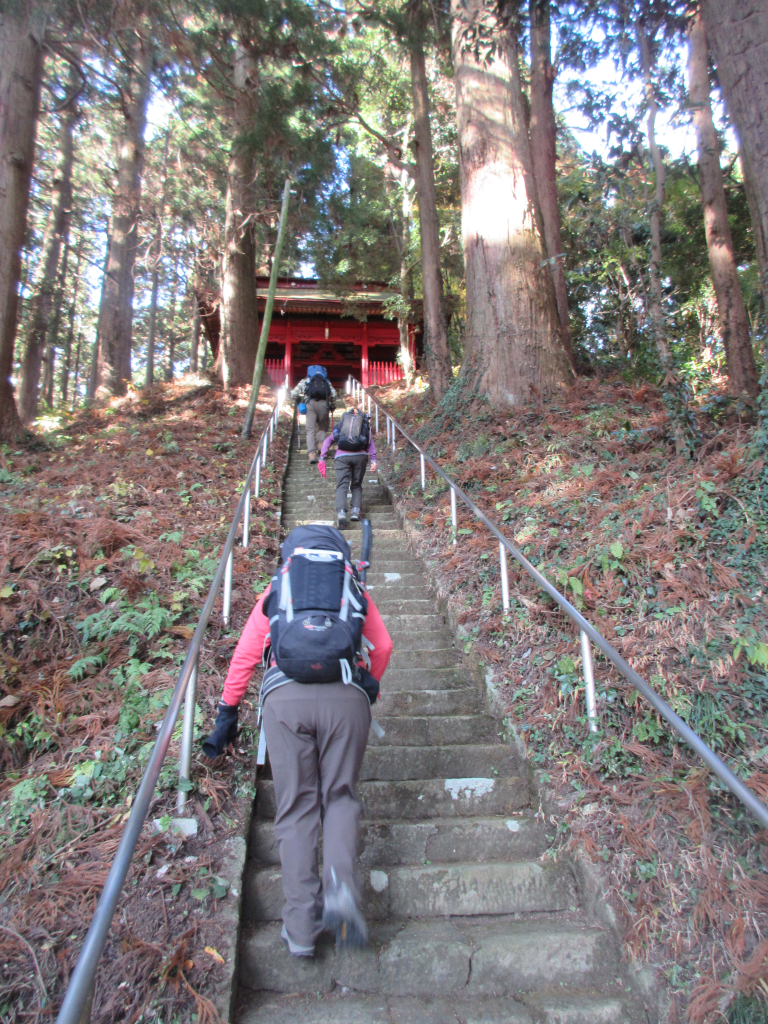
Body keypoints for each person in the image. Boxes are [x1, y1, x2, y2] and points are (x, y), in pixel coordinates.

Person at [202, 525, 393, 958]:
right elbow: (382, 648)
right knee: (340, 798)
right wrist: (369, 688)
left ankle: (301, 928)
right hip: (346, 697)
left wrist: (227, 710)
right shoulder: (352, 587)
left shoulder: (278, 590)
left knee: (296, 807)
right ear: (339, 555)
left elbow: (247, 655)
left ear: (290, 555)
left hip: (284, 700)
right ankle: (341, 893)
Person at [318, 406, 376, 529]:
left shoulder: (341, 426)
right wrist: (373, 460)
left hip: (342, 457)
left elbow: (328, 441)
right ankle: (355, 510)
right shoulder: (364, 425)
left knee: (342, 485)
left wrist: (322, 457)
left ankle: (341, 514)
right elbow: (370, 443)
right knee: (356, 484)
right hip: (360, 456)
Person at [291, 365, 337, 464]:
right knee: (322, 427)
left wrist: (299, 400)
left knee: (310, 430)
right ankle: (321, 446)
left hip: (310, 404)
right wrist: (332, 405)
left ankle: (311, 454)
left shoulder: (306, 380)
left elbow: (293, 393)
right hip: (324, 405)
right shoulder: (326, 381)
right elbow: (334, 394)